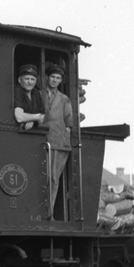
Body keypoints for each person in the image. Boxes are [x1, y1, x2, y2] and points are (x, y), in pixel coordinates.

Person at [43, 64, 73, 218]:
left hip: (57, 142)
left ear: (61, 80)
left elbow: (69, 124)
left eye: (58, 78)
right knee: (42, 177)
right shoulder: (39, 93)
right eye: (52, 77)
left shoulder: (64, 99)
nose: (54, 80)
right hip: (40, 139)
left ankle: (49, 213)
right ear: (47, 78)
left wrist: (64, 139)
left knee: (53, 179)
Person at [13, 65, 45, 130]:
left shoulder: (36, 92)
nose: (30, 82)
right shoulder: (17, 90)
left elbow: (43, 115)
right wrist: (37, 117)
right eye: (27, 79)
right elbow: (19, 117)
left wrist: (31, 120)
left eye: (32, 79)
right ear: (19, 80)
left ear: (36, 81)